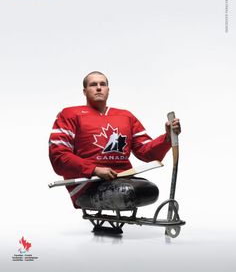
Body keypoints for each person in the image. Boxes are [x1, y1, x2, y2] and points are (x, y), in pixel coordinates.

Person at [49, 71, 181, 210]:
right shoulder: (70, 114)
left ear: (108, 90)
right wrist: (94, 169)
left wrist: (167, 138)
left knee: (150, 191)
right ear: (84, 91)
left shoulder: (126, 116)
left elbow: (146, 152)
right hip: (88, 183)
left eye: (103, 84)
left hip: (124, 179)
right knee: (127, 192)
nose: (99, 88)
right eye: (93, 84)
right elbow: (58, 156)